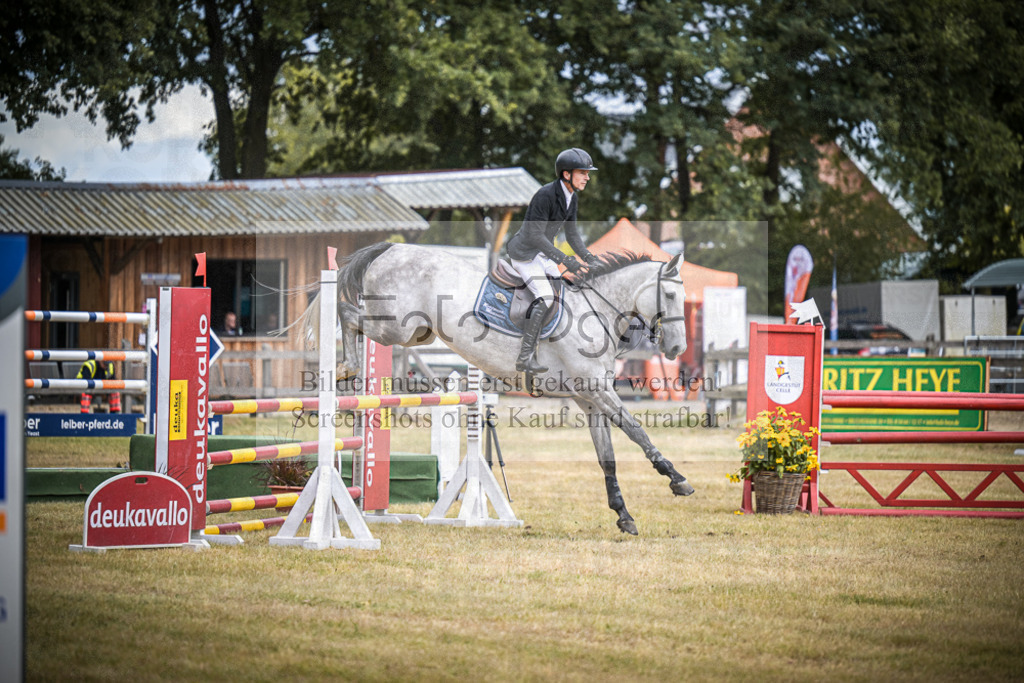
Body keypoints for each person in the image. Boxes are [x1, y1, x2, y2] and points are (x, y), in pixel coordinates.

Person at [505, 147, 601, 374]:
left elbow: (573, 235)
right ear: (567, 174)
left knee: (563, 293)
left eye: (588, 173)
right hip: (525, 254)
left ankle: (554, 343)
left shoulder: (571, 198)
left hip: (543, 254)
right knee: (546, 297)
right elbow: (534, 235)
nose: (587, 177)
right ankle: (525, 356)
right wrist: (565, 260)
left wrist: (589, 258)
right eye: (583, 173)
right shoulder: (545, 195)